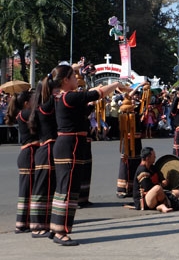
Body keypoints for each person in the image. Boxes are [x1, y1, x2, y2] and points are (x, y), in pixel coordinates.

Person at [50, 64, 129, 246]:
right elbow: (96, 93)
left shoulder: (62, 96)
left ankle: (56, 227)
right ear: (65, 80)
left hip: (66, 144)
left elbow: (91, 94)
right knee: (68, 189)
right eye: (73, 76)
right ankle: (61, 231)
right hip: (70, 145)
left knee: (63, 188)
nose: (76, 79)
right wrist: (116, 84)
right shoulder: (68, 97)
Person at [28, 78, 58, 238]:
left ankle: (43, 224)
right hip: (46, 149)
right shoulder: (46, 106)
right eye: (55, 89)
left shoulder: (39, 105)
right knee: (42, 189)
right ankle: (38, 226)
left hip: (45, 149)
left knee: (47, 188)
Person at [6, 89, 37, 234]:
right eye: (32, 100)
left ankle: (25, 221)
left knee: (28, 189)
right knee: (27, 190)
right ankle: (22, 223)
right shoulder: (25, 114)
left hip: (28, 154)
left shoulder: (23, 113)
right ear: (26, 103)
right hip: (29, 154)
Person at [133, 147, 175, 213]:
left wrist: (164, 181)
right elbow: (148, 188)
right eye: (153, 156)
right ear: (147, 158)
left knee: (176, 192)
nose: (155, 157)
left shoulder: (152, 167)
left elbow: (161, 177)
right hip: (145, 200)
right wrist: (162, 184)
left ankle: (161, 206)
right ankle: (163, 205)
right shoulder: (142, 171)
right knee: (158, 188)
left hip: (156, 196)